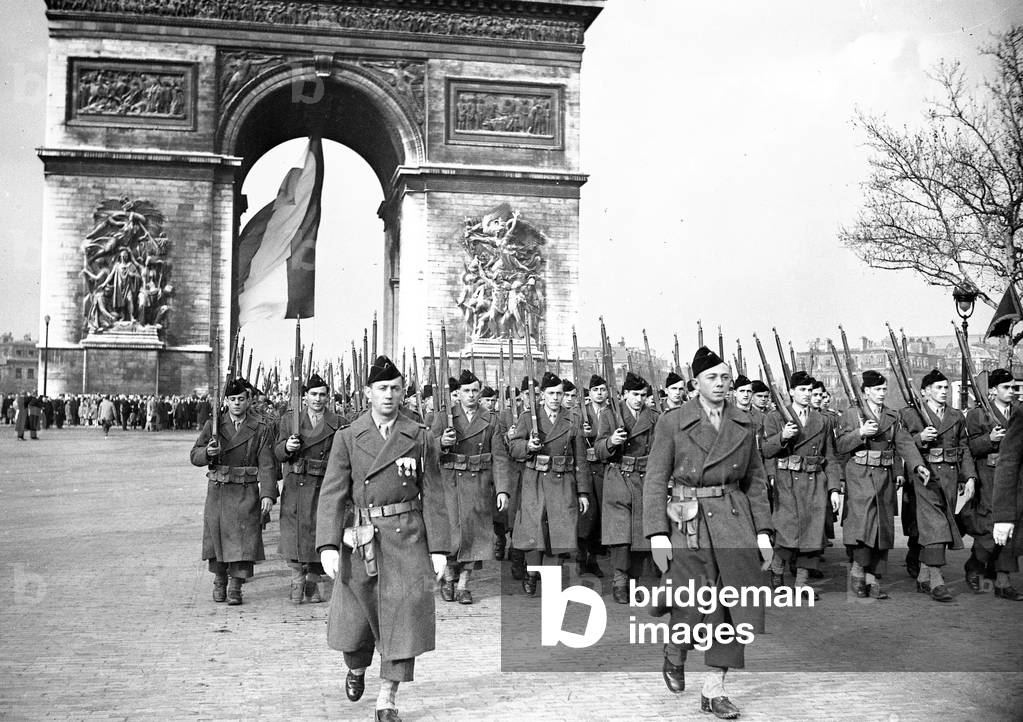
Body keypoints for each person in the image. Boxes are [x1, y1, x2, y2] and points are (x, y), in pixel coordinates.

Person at [316, 356, 450, 722]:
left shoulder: (419, 436)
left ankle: (388, 696)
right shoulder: (348, 436)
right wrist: (327, 545)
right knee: (358, 619)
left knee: (404, 616)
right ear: (368, 393)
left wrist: (439, 549)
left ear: (403, 392)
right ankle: (356, 666)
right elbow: (332, 493)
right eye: (381, 388)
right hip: (361, 540)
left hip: (407, 538)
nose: (388, 395)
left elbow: (434, 494)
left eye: (394, 388)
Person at [643, 347, 773, 719]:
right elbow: (655, 480)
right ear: (696, 381)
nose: (720, 383)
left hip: (734, 520)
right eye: (711, 377)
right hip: (688, 518)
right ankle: (675, 650)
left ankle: (714, 690)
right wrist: (657, 533)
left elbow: (755, 481)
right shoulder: (672, 422)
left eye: (725, 377)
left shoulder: (744, 422)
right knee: (689, 600)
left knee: (732, 607)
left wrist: (763, 532)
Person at [835, 370, 928, 599]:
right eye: (877, 389)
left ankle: (874, 578)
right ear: (865, 392)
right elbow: (841, 446)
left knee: (882, 529)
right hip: (860, 476)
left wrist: (917, 465)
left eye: (884, 389)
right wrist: (860, 433)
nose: (882, 393)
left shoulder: (891, 415)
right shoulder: (851, 414)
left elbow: (903, 443)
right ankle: (858, 569)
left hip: (884, 478)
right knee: (863, 527)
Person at [189, 379, 277, 605]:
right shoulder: (214, 426)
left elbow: (267, 464)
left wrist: (267, 494)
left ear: (248, 401)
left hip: (246, 491)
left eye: (241, 399)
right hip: (219, 492)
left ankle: (236, 586)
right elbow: (194, 455)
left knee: (244, 540)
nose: (237, 403)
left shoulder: (260, 428)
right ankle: (220, 581)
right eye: (232, 399)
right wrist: (208, 453)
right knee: (217, 539)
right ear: (226, 401)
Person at [506, 371, 591, 597]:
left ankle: (551, 577)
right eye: (551, 393)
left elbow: (580, 458)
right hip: (535, 480)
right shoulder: (528, 417)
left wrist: (583, 492)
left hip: (563, 481)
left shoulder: (572, 419)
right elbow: (514, 448)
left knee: (561, 530)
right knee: (535, 528)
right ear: (542, 395)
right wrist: (528, 447)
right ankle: (532, 572)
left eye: (559, 394)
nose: (555, 398)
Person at [898, 369, 977, 603]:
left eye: (946, 388)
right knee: (936, 526)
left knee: (939, 524)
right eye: (938, 388)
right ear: (925, 392)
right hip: (924, 476)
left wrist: (969, 476)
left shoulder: (956, 415)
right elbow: (902, 444)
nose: (944, 392)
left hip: (950, 477)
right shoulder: (910, 414)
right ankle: (936, 581)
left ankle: (923, 576)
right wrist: (921, 438)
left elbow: (963, 448)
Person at [434, 369, 511, 604]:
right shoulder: (444, 416)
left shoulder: (490, 419)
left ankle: (463, 585)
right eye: (466, 391)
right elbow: (426, 448)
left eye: (475, 390)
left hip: (478, 483)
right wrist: (441, 442)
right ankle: (448, 578)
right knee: (452, 534)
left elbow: (499, 457)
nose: (471, 395)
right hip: (450, 483)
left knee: (475, 536)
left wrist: (502, 490)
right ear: (457, 393)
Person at [761, 371, 841, 598]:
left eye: (810, 390)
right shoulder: (776, 417)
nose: (807, 394)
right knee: (786, 531)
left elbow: (830, 456)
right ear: (791, 392)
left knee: (813, 534)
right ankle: (777, 570)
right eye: (802, 390)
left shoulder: (822, 420)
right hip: (787, 481)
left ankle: (802, 584)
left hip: (815, 482)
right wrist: (783, 437)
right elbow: (766, 451)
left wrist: (834, 489)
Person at [274, 373, 349, 604]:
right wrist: (287, 447)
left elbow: (346, 455)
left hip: (324, 484)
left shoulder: (339, 422)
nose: (318, 399)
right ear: (305, 397)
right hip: (296, 484)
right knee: (294, 532)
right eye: (313, 394)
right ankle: (297, 578)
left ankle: (314, 579)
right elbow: (277, 451)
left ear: (328, 397)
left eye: (322, 395)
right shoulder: (290, 420)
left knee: (321, 529)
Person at [595, 371, 657, 603]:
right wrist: (612, 442)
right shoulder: (610, 414)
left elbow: (660, 451)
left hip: (644, 478)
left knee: (641, 534)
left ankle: (634, 581)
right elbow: (598, 450)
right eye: (634, 394)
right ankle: (620, 581)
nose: (639, 399)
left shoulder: (654, 418)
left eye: (643, 395)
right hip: (618, 477)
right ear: (624, 394)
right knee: (620, 535)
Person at [963, 368, 1022, 599]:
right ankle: (976, 564)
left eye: (1014, 387)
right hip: (988, 477)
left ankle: (1002, 581)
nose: (1011, 391)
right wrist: (990, 439)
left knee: (1011, 526)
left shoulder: (1018, 411)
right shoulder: (977, 415)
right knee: (990, 527)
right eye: (1006, 387)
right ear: (993, 390)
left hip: (1012, 479)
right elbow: (968, 447)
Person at [576, 374, 610, 577]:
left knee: (600, 518)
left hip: (605, 470)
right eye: (595, 390)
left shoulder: (612, 412)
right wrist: (582, 432)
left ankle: (593, 559)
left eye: (603, 390)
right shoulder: (581, 413)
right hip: (586, 469)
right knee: (585, 516)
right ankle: (581, 558)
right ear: (589, 393)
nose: (599, 393)